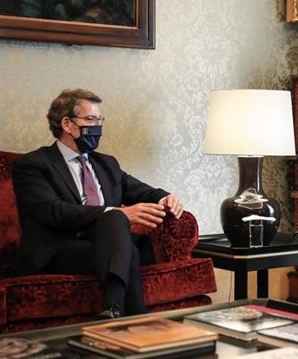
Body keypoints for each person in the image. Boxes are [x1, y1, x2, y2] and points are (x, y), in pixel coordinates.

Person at [12, 89, 184, 319]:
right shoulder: (33, 164)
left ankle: (113, 309)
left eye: (100, 119)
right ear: (67, 124)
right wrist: (117, 213)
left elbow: (137, 189)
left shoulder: (106, 163)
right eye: (91, 119)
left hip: (105, 243)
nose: (98, 126)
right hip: (59, 247)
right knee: (119, 228)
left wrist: (165, 197)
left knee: (125, 243)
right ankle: (140, 326)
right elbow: (53, 211)